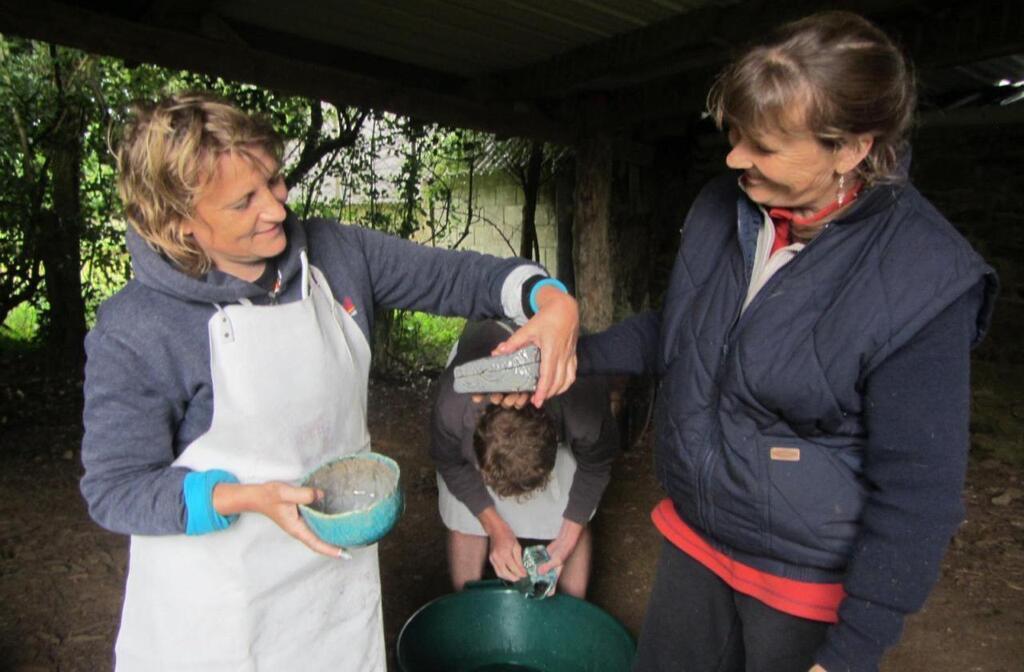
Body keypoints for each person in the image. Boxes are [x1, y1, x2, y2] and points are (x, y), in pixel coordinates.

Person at [79, 92, 579, 671]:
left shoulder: (335, 255)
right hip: (219, 612)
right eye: (245, 201)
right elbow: (114, 489)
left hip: (332, 594)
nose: (276, 208)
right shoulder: (138, 328)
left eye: (275, 180)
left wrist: (551, 300)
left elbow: (463, 277)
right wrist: (239, 498)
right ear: (180, 226)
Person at [576, 12, 997, 672]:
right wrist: (580, 356)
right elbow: (684, 330)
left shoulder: (922, 277)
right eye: (736, 136)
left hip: (802, 583)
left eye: (763, 146)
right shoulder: (724, 208)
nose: (735, 158)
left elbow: (919, 489)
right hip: (697, 542)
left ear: (853, 149)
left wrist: (852, 651)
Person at [431, 319, 618, 597]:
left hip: (552, 347)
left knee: (568, 508)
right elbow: (449, 463)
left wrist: (564, 543)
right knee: (464, 516)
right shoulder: (454, 405)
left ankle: (573, 610)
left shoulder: (582, 400)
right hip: (486, 341)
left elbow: (595, 467)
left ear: (556, 439)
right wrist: (495, 527)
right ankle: (465, 604)